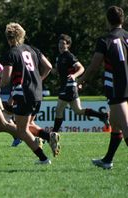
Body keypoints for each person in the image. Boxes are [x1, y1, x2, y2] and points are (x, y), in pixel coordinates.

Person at [1, 22, 61, 163]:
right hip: (37, 93)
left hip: (24, 94)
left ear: (8, 38)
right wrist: (38, 79)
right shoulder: (33, 49)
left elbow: (5, 79)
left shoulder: (11, 53)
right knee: (27, 126)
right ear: (22, 35)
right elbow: (48, 66)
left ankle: (43, 158)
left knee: (21, 131)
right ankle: (49, 136)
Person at [77, 6, 128, 169]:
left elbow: (93, 66)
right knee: (115, 124)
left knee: (125, 126)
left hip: (117, 87)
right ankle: (107, 160)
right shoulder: (127, 37)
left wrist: (82, 80)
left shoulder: (105, 40)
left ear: (107, 20)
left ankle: (107, 160)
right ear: (123, 20)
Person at [52, 34, 110, 133]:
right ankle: (102, 115)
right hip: (67, 87)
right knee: (78, 110)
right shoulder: (59, 57)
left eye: (63, 43)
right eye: (59, 43)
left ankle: (53, 134)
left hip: (69, 87)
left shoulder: (69, 56)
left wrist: (74, 76)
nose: (61, 45)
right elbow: (56, 71)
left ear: (68, 45)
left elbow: (81, 68)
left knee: (58, 111)